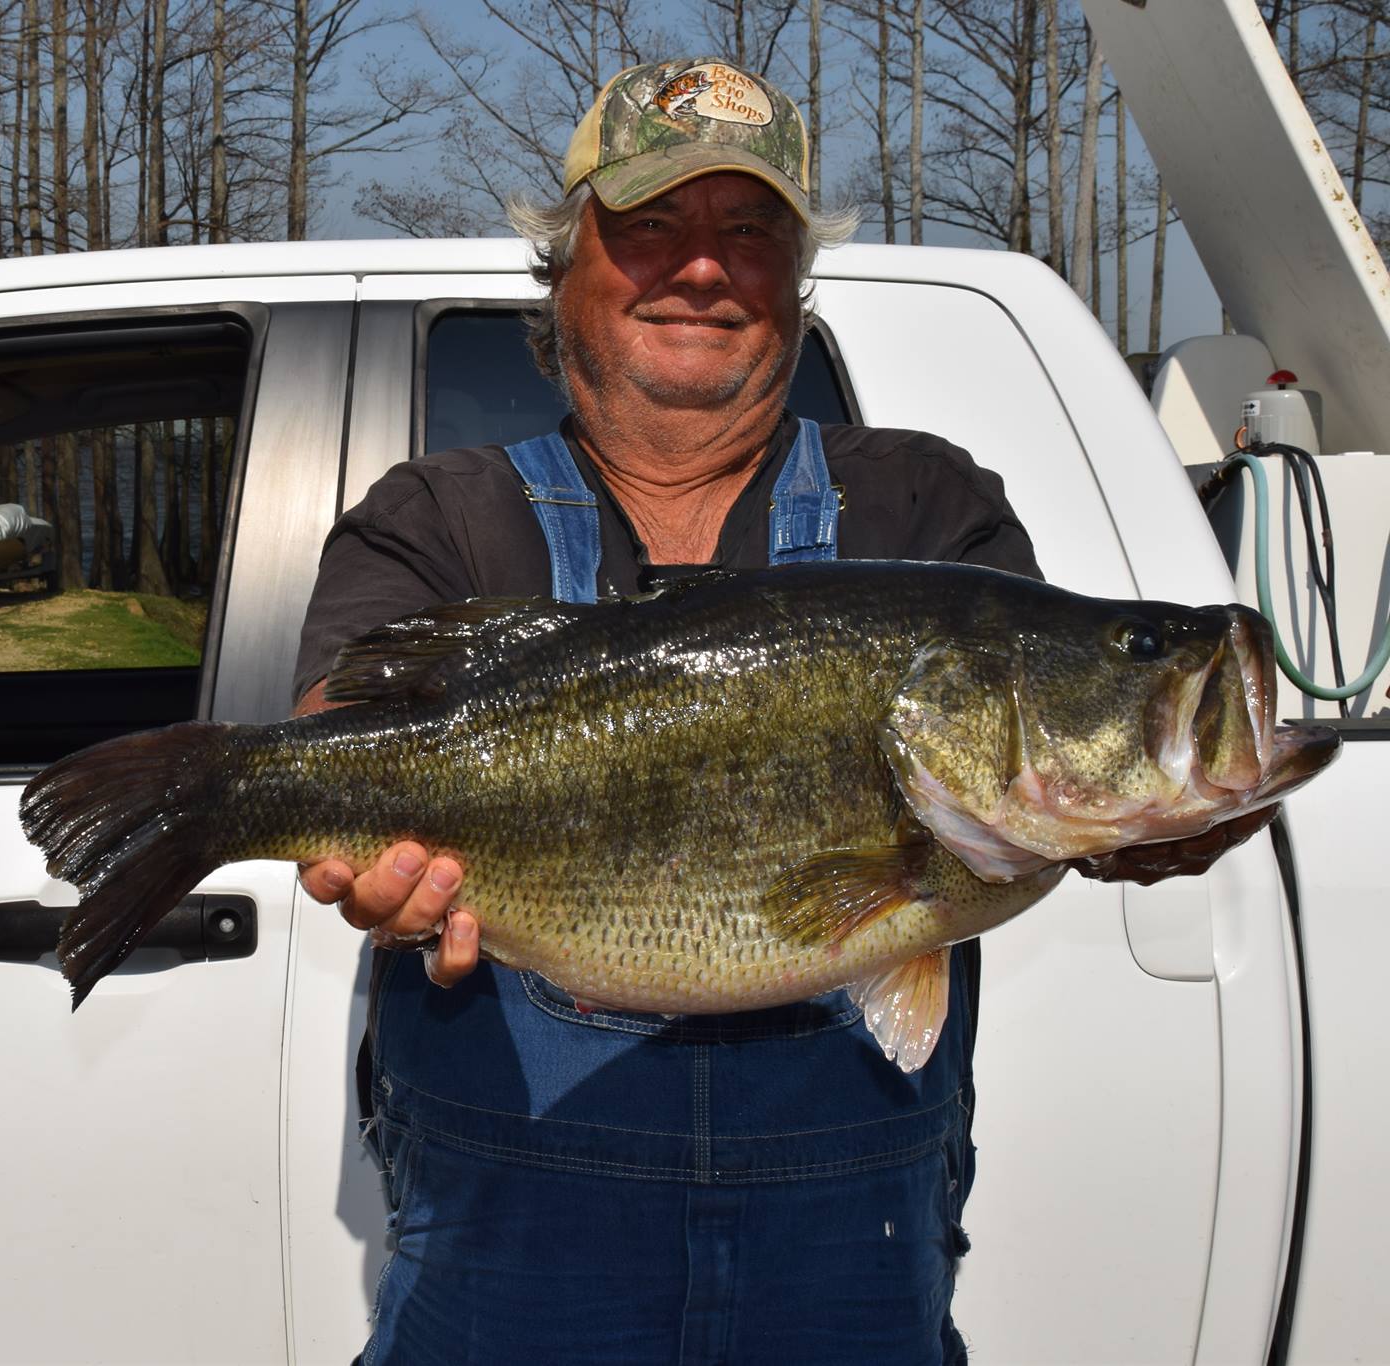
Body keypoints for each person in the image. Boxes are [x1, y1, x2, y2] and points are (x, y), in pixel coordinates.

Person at [291, 58, 1039, 1365]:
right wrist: (357, 847)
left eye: (750, 232)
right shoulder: (439, 518)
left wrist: (1169, 799)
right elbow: (335, 732)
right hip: (515, 1287)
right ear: (562, 266)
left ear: (795, 285)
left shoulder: (923, 511)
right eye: (651, 227)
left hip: (849, 1287)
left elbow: (1059, 765)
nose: (704, 269)